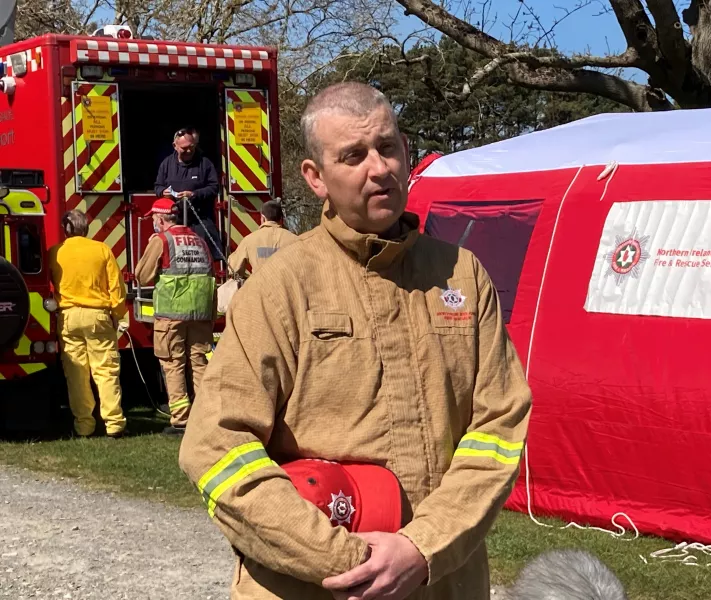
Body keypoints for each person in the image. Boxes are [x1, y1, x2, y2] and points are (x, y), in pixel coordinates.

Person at [178, 82, 531, 599]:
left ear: (406, 152)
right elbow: (216, 447)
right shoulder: (282, 287)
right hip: (319, 586)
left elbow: (499, 427)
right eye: (353, 155)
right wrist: (352, 561)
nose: (379, 167)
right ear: (315, 178)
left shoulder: (461, 276)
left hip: (443, 582)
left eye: (388, 147)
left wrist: (422, 549)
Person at [134, 198, 216, 436]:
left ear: (160, 219)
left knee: (173, 363)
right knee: (200, 363)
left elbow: (142, 276)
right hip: (200, 313)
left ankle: (181, 420)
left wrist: (150, 247)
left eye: (153, 219)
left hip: (172, 315)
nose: (153, 223)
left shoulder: (162, 240)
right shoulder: (200, 240)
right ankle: (205, 416)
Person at [48, 210, 127, 438]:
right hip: (98, 316)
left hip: (68, 317)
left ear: (66, 229)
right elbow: (117, 287)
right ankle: (114, 424)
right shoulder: (102, 250)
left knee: (76, 373)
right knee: (106, 371)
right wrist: (116, 313)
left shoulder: (56, 252)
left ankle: (84, 425)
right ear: (86, 228)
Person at [154, 128, 224, 261]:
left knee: (204, 258)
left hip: (200, 220)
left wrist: (194, 194)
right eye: (184, 148)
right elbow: (158, 186)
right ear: (175, 146)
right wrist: (163, 192)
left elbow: (214, 187)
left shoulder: (205, 164)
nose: (188, 151)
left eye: (191, 147)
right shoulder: (166, 164)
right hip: (173, 222)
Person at [227, 200, 298, 278]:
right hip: (286, 288)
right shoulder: (294, 240)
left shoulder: (249, 240)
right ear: (281, 219)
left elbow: (234, 269)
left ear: (263, 218)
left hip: (259, 288)